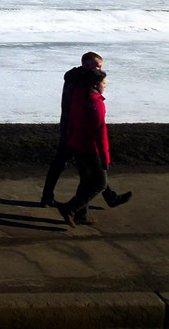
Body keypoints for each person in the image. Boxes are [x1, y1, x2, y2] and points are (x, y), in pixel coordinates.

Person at [41, 52, 131, 208]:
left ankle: (109, 198)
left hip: (73, 126)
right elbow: (76, 107)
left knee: (84, 168)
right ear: (87, 65)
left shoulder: (78, 77)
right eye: (98, 66)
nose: (100, 69)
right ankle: (50, 198)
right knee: (65, 163)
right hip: (72, 128)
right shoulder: (80, 81)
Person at [58, 69, 113, 227]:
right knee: (100, 184)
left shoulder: (78, 97)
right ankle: (70, 208)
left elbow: (72, 122)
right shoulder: (96, 104)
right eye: (104, 83)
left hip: (76, 144)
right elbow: (100, 133)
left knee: (86, 182)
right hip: (89, 149)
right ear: (96, 84)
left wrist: (69, 143)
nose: (105, 86)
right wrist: (105, 158)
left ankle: (81, 216)